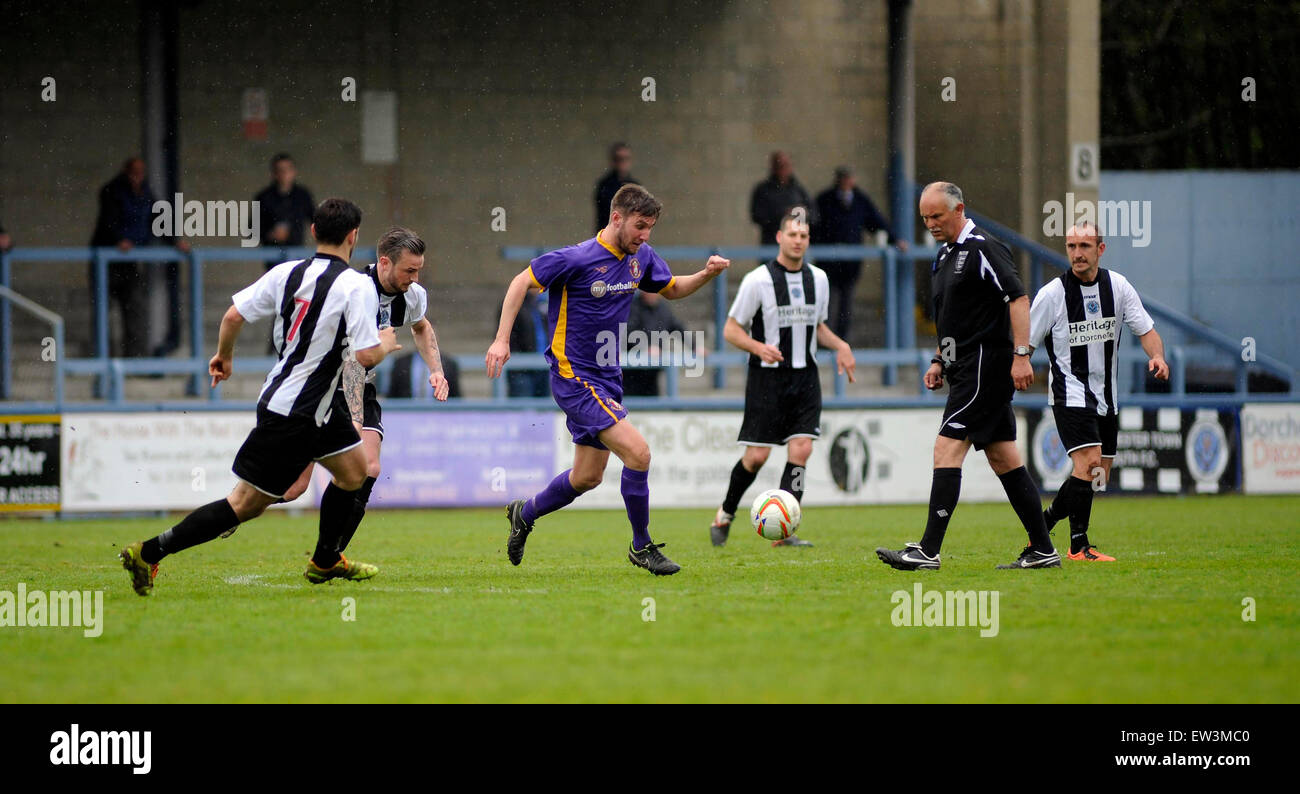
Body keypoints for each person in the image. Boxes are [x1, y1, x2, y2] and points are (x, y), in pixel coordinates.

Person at [118, 198, 402, 596]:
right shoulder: (357, 286)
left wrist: (224, 356)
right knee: (244, 504)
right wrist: (386, 344)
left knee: (355, 471)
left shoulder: (286, 272)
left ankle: (325, 560)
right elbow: (366, 355)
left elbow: (233, 315)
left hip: (309, 405)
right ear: (354, 236)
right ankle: (148, 552)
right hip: (298, 411)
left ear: (314, 231)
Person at [486, 184, 729, 576]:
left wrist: (706, 273)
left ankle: (524, 514)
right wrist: (501, 339)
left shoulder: (640, 257)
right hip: (574, 376)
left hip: (608, 377)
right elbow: (520, 282)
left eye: (650, 228)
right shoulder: (577, 258)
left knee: (586, 477)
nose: (645, 235)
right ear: (617, 218)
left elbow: (671, 289)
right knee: (639, 453)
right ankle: (641, 546)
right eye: (639, 226)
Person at [875, 182, 1060, 571]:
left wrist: (1022, 355)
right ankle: (1043, 549)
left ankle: (928, 551)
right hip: (963, 369)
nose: (930, 224)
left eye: (936, 216)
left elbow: (1018, 298)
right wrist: (939, 360)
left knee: (946, 448)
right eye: (925, 218)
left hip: (984, 368)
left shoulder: (984, 248)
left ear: (959, 210)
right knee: (1004, 458)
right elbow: (951, 318)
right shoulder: (944, 255)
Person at [275, 227, 451, 559]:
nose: (414, 278)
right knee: (295, 487)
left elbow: (421, 326)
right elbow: (353, 360)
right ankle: (237, 507)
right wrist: (355, 419)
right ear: (384, 263)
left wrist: (436, 370)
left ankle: (330, 556)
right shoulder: (354, 292)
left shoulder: (412, 295)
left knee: (370, 468)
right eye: (408, 270)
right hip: (323, 388)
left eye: (418, 270)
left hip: (361, 386)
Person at [709, 210, 856, 548]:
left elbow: (818, 326)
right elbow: (731, 329)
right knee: (756, 457)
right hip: (767, 381)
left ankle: (785, 532)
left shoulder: (819, 279)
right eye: (792, 234)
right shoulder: (758, 280)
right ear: (779, 237)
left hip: (806, 378)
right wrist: (758, 347)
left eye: (803, 236)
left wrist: (841, 345)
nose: (798, 241)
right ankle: (725, 513)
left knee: (801, 449)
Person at [1028, 221, 1169, 561]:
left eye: (1085, 246)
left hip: (1106, 395)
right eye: (1071, 246)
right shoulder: (1052, 295)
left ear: (1100, 249)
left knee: (1098, 476)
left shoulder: (1118, 287)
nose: (1077, 253)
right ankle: (1078, 545)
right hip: (1070, 392)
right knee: (1089, 462)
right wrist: (1017, 366)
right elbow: (1024, 342)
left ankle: (1044, 523)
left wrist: (1158, 356)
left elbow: (1146, 329)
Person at [88, 157, 189, 358]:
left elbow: (158, 219)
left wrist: (175, 241)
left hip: (129, 262)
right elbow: (108, 220)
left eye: (141, 172)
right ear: (126, 171)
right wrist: (118, 240)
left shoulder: (145, 193)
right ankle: (103, 360)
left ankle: (133, 360)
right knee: (103, 312)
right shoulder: (112, 191)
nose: (138, 177)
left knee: (135, 310)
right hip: (106, 262)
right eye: (134, 172)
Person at [813, 166, 908, 343]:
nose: (846, 181)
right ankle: (826, 342)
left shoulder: (860, 200)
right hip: (828, 264)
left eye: (848, 178)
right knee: (827, 304)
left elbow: (876, 222)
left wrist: (895, 240)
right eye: (843, 178)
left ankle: (842, 341)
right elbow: (814, 226)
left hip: (850, 265)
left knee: (846, 304)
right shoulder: (825, 200)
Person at [622, 290, 688, 397]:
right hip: (631, 372)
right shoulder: (632, 307)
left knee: (652, 398)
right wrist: (645, 348)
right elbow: (628, 332)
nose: (652, 293)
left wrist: (695, 346)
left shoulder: (663, 309)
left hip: (652, 372)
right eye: (649, 290)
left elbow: (678, 328)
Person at [255, 153, 316, 264]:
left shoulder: (303, 196)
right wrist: (271, 234)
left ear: (294, 172)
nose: (284, 174)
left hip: (297, 253)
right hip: (272, 255)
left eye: (288, 169)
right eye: (280, 170)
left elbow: (316, 221)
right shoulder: (264, 197)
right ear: (274, 174)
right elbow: (252, 228)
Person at [749, 151, 816, 248]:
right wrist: (782, 214)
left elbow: (814, 214)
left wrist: (802, 213)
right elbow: (757, 216)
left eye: (786, 165)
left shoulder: (798, 189)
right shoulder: (763, 190)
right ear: (773, 167)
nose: (783, 169)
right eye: (780, 165)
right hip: (772, 243)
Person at [594, 142, 637, 232]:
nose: (623, 162)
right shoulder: (605, 185)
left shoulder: (635, 185)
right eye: (619, 159)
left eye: (626, 158)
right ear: (613, 161)